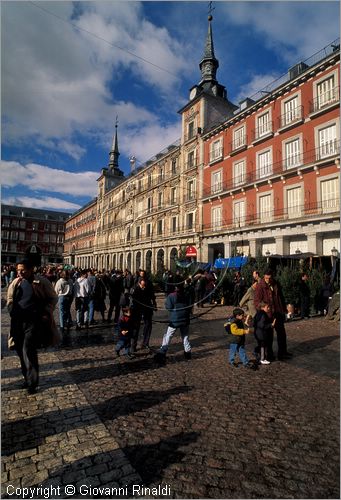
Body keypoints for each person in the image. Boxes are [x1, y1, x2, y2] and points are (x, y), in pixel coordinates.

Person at [7, 259, 58, 394]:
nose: (20, 272)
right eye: (18, 270)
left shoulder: (41, 282)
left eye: (23, 269)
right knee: (19, 350)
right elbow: (10, 299)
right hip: (17, 322)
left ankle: (32, 383)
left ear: (31, 270)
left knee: (28, 349)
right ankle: (27, 378)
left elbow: (53, 298)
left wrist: (47, 311)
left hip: (33, 321)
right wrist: (11, 308)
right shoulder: (15, 282)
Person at [254, 269, 292, 361]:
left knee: (282, 334)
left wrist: (284, 309)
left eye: (269, 278)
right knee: (269, 336)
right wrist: (263, 309)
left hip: (278, 312)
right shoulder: (260, 286)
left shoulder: (276, 284)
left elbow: (280, 297)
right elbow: (256, 302)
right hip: (268, 315)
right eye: (266, 278)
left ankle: (282, 353)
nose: (268, 280)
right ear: (264, 276)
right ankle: (269, 355)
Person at [156, 283, 193, 361]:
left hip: (175, 319)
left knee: (168, 335)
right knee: (185, 336)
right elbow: (190, 306)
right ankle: (188, 352)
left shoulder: (171, 296)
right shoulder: (186, 295)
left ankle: (163, 351)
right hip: (185, 318)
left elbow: (169, 307)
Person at [131, 278, 157, 352]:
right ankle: (133, 346)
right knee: (135, 329)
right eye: (142, 285)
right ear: (139, 284)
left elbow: (152, 296)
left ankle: (145, 343)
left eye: (145, 285)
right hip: (137, 310)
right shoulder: (134, 289)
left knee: (148, 326)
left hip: (147, 309)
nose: (144, 287)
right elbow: (131, 301)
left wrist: (154, 305)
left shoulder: (147, 287)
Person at [54, 270, 73, 335]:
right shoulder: (70, 281)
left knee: (61, 312)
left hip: (62, 297)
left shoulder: (59, 281)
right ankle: (68, 323)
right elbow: (72, 289)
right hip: (69, 297)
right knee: (67, 310)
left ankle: (62, 326)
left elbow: (56, 290)